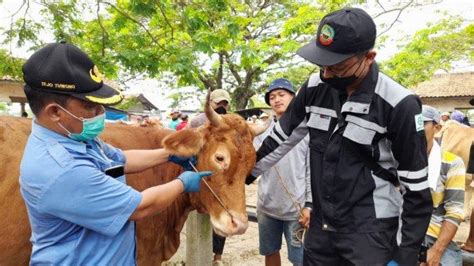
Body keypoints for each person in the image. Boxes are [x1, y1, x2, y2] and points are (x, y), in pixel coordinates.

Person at [247, 8, 432, 265]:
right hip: (321, 231)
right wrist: (240, 172)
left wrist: (404, 256)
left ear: (369, 57)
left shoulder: (399, 104)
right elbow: (281, 138)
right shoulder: (314, 87)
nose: (327, 73)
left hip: (371, 233)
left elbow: (416, 188)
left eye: (338, 66)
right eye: (322, 64)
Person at [19, 42, 211, 265]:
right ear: (54, 112)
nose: (101, 112)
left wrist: (168, 155)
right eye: (90, 106)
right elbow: (140, 206)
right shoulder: (60, 169)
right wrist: (183, 183)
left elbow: (121, 159)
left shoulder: (74, 138)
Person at [253, 78, 311, 266]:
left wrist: (309, 205)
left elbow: (311, 171)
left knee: (299, 258)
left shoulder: (305, 130)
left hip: (296, 209)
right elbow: (249, 162)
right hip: (266, 206)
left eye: (281, 95)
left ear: (293, 98)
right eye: (272, 97)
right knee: (270, 252)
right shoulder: (261, 131)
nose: (276, 99)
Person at [187, 88, 231, 264]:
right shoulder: (198, 120)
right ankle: (198, 253)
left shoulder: (229, 120)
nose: (221, 106)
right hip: (201, 172)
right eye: (218, 102)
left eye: (224, 103)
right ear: (210, 102)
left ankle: (217, 256)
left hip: (221, 173)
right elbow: (191, 144)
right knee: (200, 213)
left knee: (222, 215)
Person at [421, 105, 465, 266]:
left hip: (433, 238)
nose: (415, 129)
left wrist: (437, 250)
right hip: (400, 236)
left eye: (422, 123)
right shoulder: (397, 160)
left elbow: (455, 211)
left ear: (437, 128)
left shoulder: (452, 163)